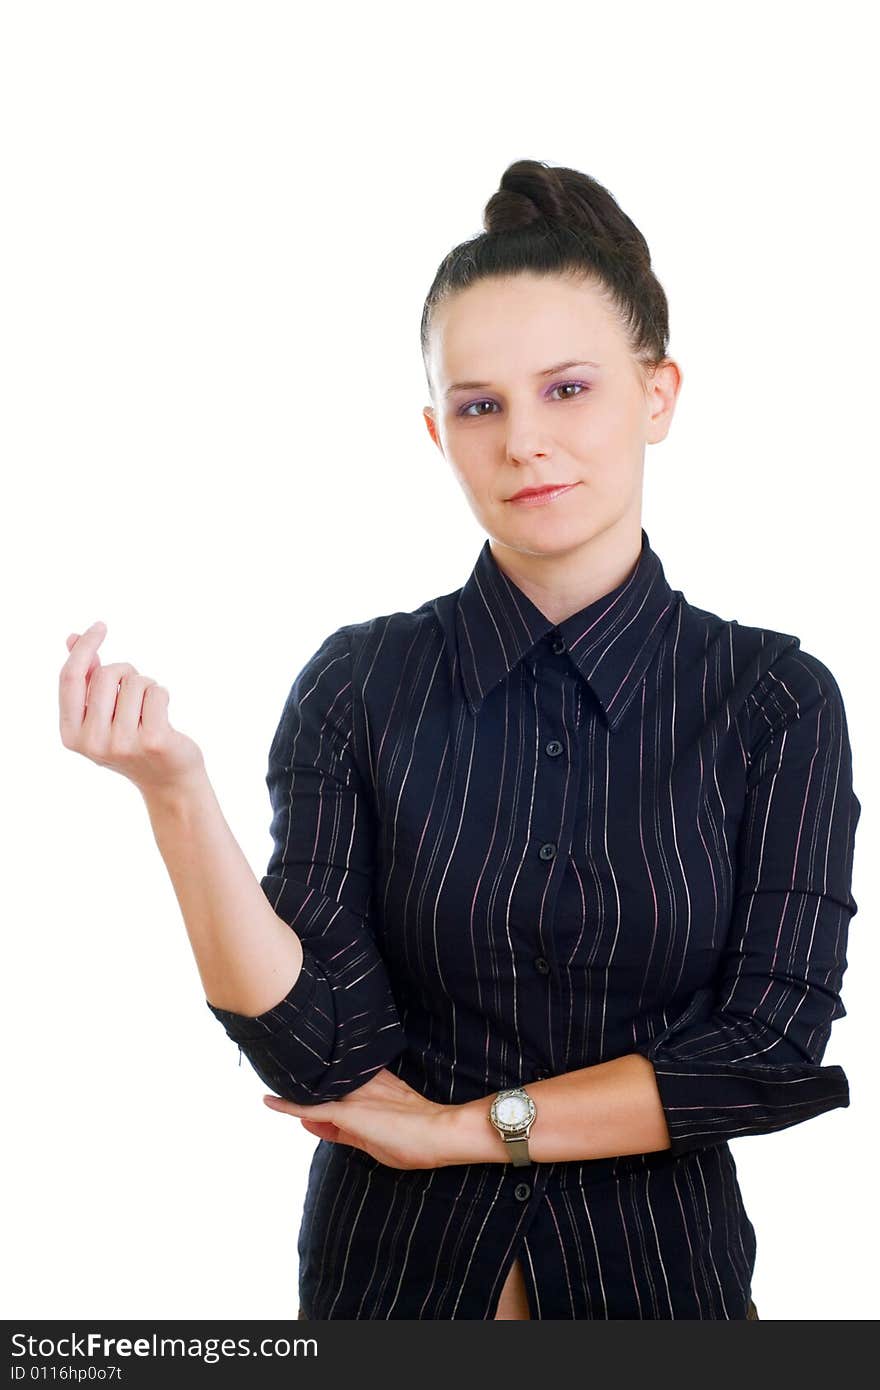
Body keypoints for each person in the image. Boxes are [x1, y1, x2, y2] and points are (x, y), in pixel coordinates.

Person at [59, 159, 861, 1320]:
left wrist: (462, 1132)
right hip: (390, 1286)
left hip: (662, 1284)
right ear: (437, 432)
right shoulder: (359, 681)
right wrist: (176, 796)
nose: (524, 442)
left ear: (658, 394)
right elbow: (317, 1051)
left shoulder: (774, 700)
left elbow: (767, 1049)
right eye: (480, 406)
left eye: (568, 389)